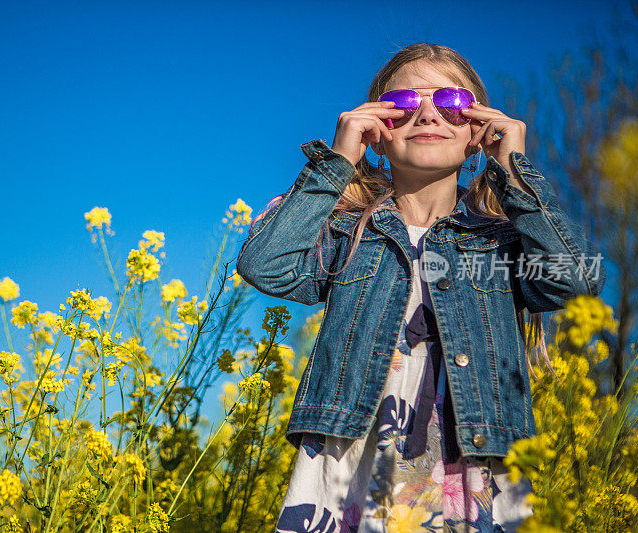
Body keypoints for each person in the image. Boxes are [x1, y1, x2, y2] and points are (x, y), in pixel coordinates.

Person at [234, 43, 606, 532]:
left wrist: (515, 168)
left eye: (453, 103)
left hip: (472, 472)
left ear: (478, 132)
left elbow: (576, 279)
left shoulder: (500, 243)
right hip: (349, 464)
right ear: (376, 132)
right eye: (404, 105)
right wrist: (339, 161)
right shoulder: (350, 234)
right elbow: (266, 264)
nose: (428, 113)